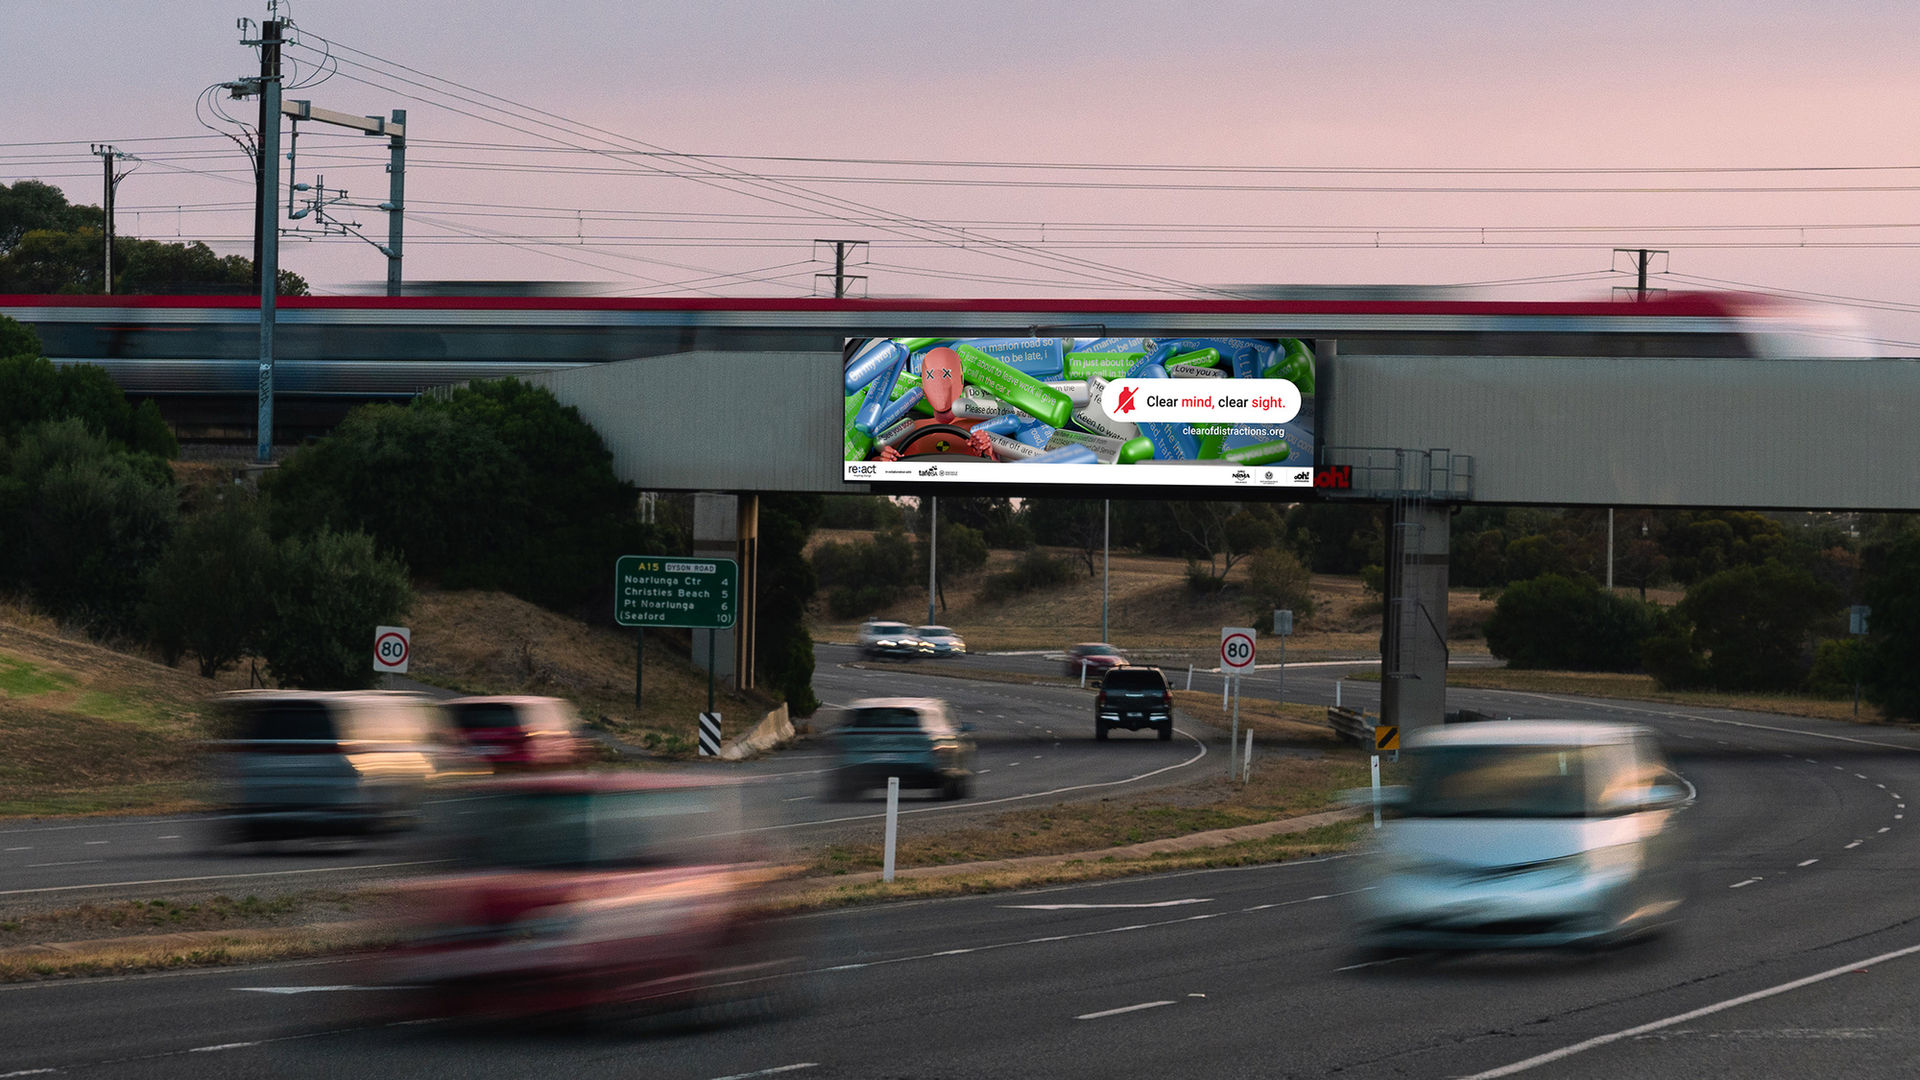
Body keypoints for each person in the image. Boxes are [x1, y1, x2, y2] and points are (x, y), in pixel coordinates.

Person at [878, 345, 997, 461]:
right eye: (931, 376)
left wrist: (987, 452)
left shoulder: (982, 427)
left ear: (960, 379)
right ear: (924, 385)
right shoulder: (911, 428)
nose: (939, 384)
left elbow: (1003, 469)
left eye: (946, 375)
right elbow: (876, 464)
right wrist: (885, 459)